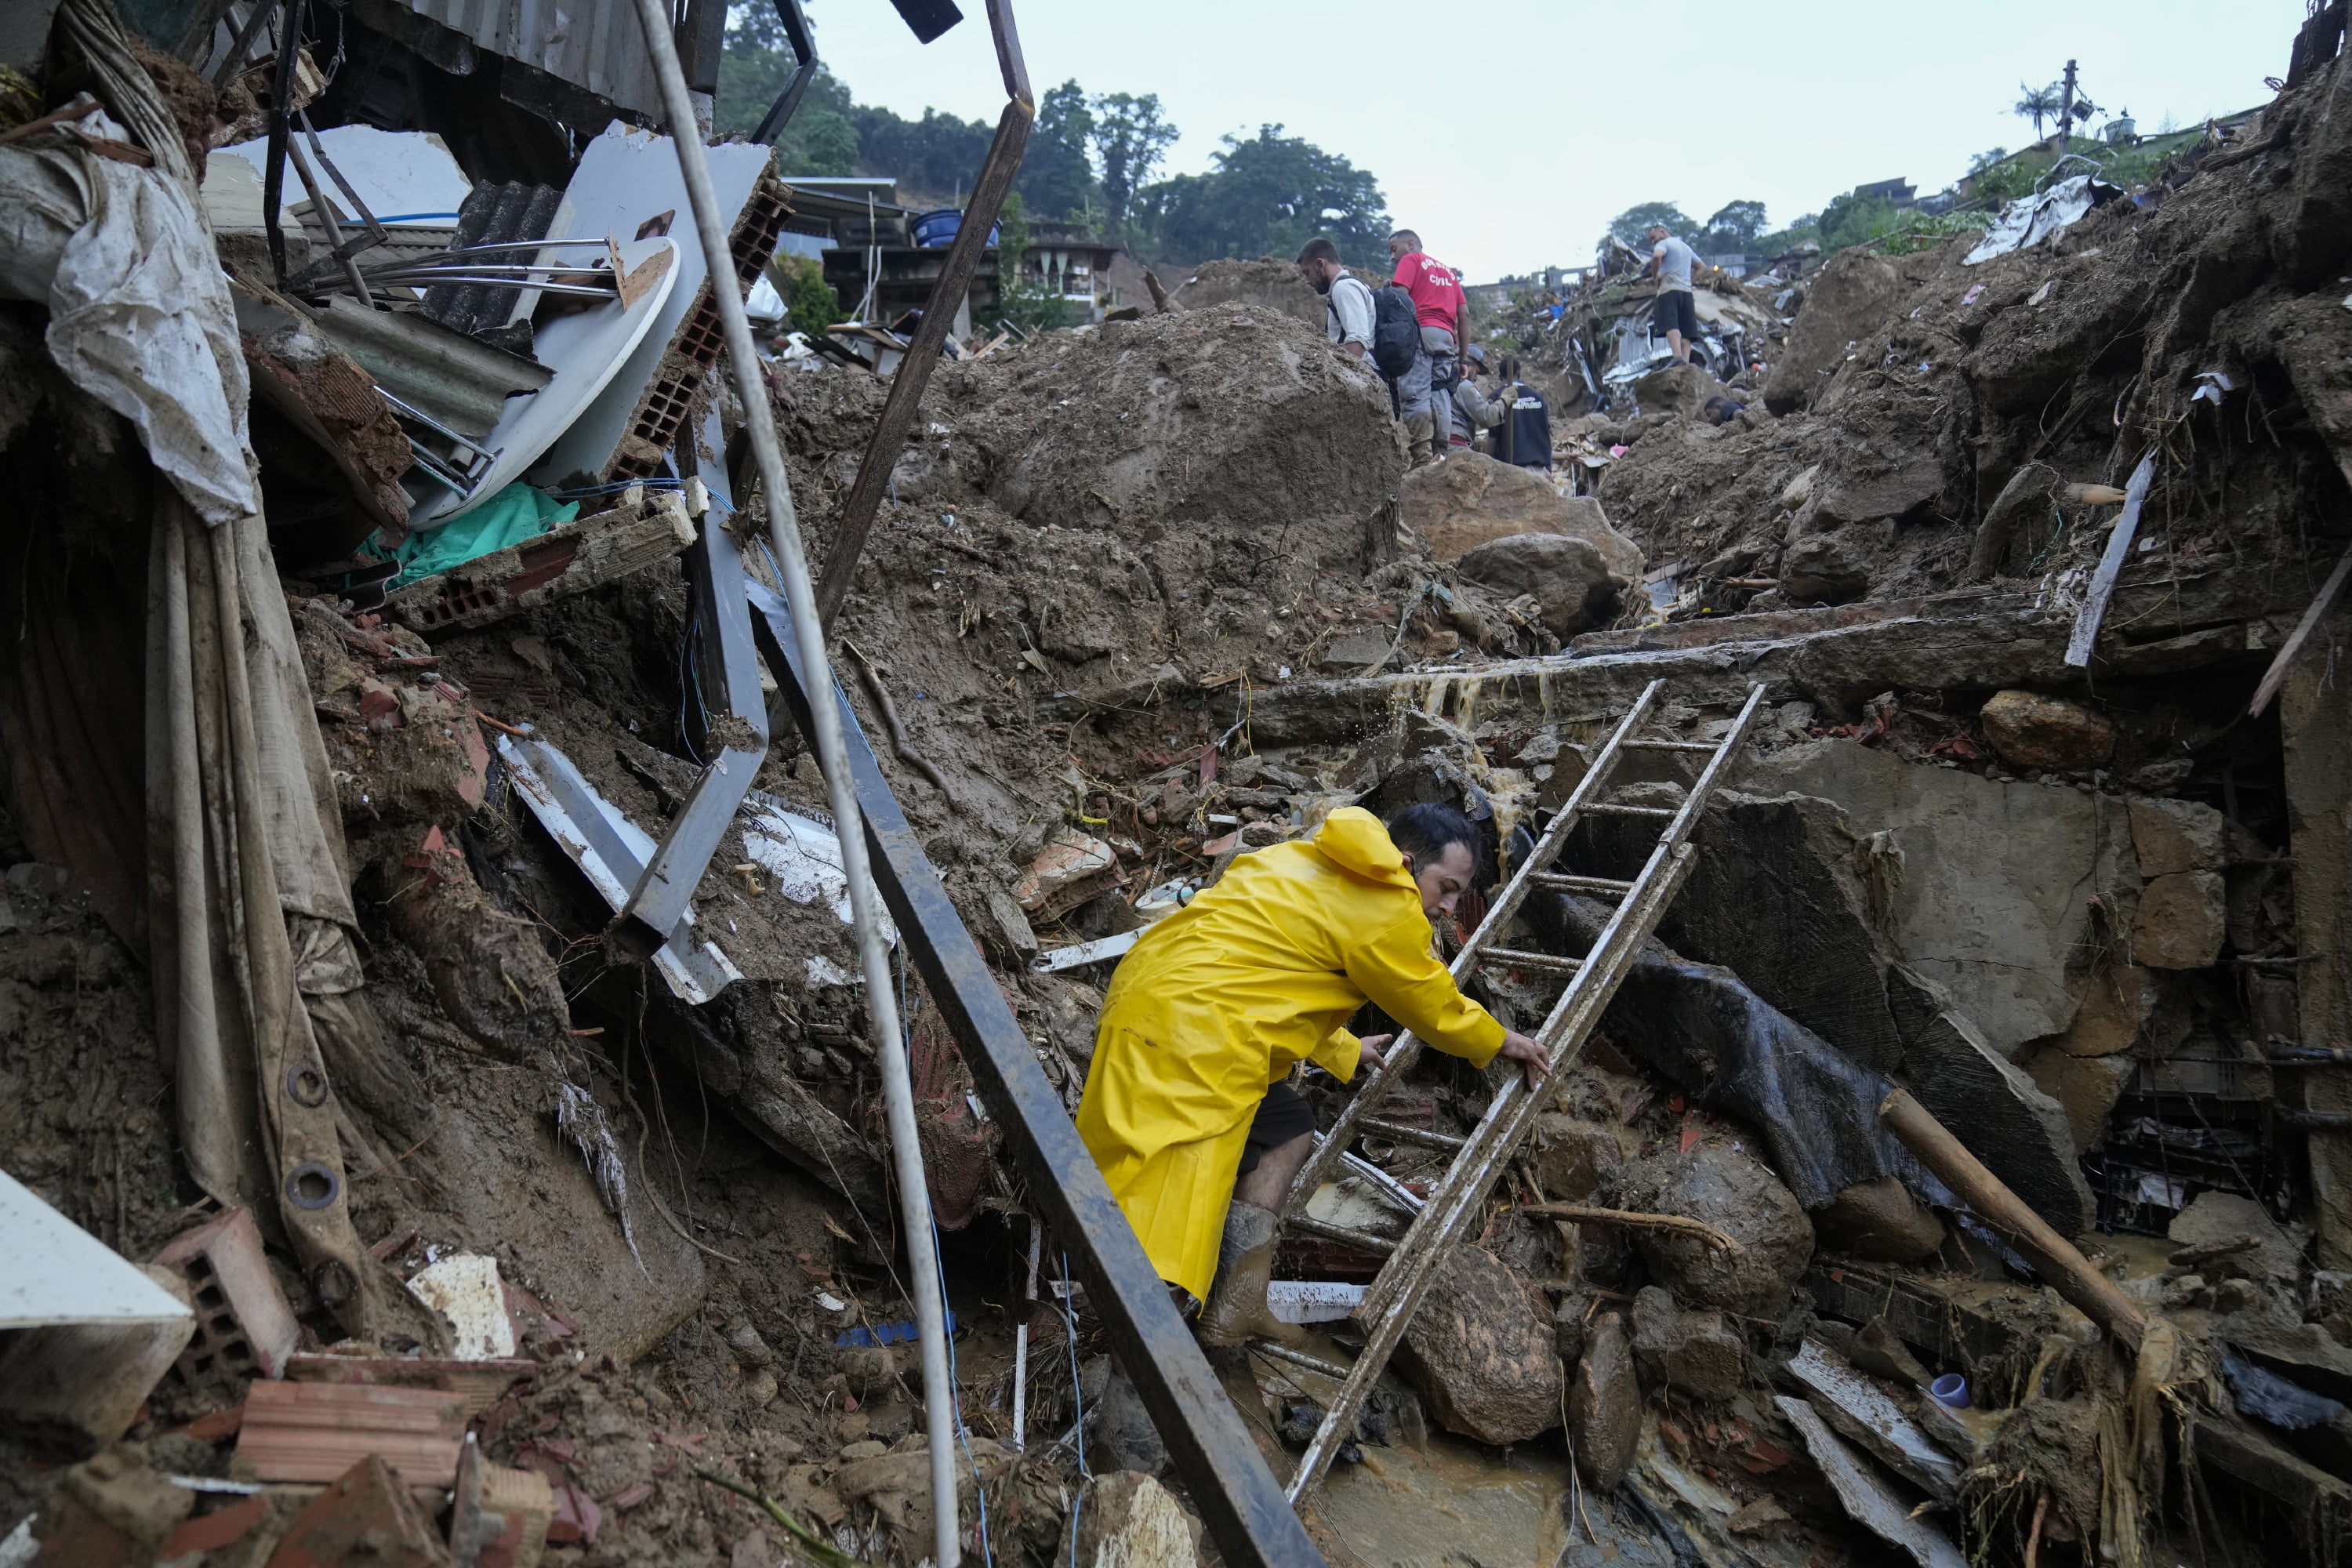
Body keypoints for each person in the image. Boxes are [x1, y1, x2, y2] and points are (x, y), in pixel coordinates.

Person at [1076, 804, 1548, 1359]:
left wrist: (1345, 1047)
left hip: (1152, 996)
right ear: (1406, 860)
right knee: (1168, 1196)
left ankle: (1240, 1299)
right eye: (1446, 888)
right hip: (1200, 1035)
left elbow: (1277, 965)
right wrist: (1502, 1040)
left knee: (1285, 1124)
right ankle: (1138, 1355)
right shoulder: (1390, 905)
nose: (1448, 908)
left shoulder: (1305, 856)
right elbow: (1432, 1005)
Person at [1387, 229, 1465, 463]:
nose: (1392, 257)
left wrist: (1396, 338)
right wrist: (1464, 359)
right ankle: (1440, 453)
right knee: (1439, 391)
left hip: (1421, 331)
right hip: (1447, 337)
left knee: (1414, 392)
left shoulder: (1412, 260)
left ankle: (1422, 455)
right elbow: (1465, 314)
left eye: (1394, 249)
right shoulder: (1449, 273)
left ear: (1411, 244)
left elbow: (1399, 298)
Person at [1294, 236, 1377, 368]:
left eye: (1307, 272)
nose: (1307, 281)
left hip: (1363, 377)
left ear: (1320, 264)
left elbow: (1358, 341)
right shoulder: (1347, 286)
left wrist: (1340, 374)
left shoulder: (1344, 288)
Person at [1646, 222, 1704, 365]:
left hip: (1668, 290)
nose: (1654, 241)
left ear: (1663, 232)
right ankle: (1686, 363)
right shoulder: (1685, 247)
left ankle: (1677, 358)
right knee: (1686, 331)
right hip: (1686, 292)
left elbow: (1656, 256)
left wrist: (1655, 276)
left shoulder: (1664, 243)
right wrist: (1690, 282)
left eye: (1654, 237)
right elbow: (1701, 267)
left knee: (1671, 325)